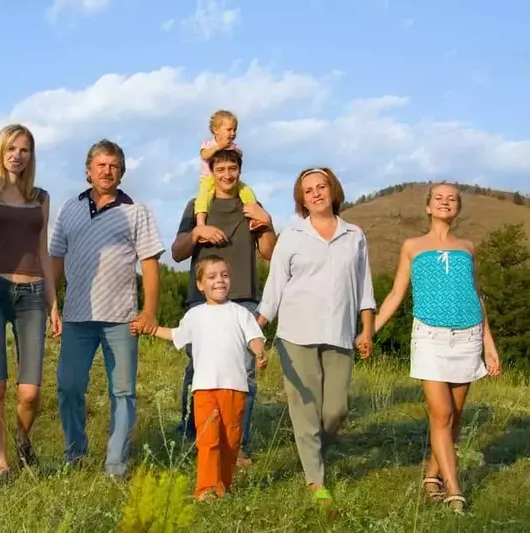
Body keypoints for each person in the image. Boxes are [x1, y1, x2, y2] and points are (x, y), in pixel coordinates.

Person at [373, 182, 501, 514]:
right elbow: (395, 295)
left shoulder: (468, 247)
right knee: (441, 414)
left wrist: (489, 345)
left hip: (469, 336)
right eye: (439, 198)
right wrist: (369, 330)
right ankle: (454, 489)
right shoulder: (412, 246)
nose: (445, 202)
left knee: (454, 416)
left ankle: (432, 474)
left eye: (452, 198)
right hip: (430, 337)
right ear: (428, 207)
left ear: (457, 208)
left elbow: (477, 295)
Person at [256, 167, 375, 506]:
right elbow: (275, 286)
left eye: (321, 187)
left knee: (335, 411)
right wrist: (258, 324)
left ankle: (313, 454)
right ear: (302, 200)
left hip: (340, 333)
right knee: (305, 410)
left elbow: (364, 287)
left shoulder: (355, 235)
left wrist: (366, 329)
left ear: (332, 190)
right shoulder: (292, 235)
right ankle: (315, 480)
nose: (317, 193)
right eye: (309, 190)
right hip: (296, 333)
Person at [49, 139, 165, 478]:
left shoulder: (137, 211)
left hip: (122, 318)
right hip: (76, 316)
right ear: (88, 170)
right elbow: (55, 260)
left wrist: (149, 311)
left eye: (113, 165)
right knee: (69, 386)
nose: (106, 171)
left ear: (121, 172)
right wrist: (51, 305)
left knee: (124, 391)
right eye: (100, 165)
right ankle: (75, 454)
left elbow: (150, 264)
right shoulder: (69, 208)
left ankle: (116, 463)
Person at [0, 124, 62, 483]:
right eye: (11, 148)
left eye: (25, 149)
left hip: (32, 294)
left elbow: (42, 251)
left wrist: (53, 303)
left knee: (30, 391)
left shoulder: (40, 197)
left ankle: (22, 438)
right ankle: (1, 464)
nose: (17, 155)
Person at [131, 254, 268, 501]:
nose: (219, 281)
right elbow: (175, 335)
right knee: (208, 440)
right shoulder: (195, 315)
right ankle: (205, 489)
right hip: (204, 389)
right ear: (200, 284)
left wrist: (259, 352)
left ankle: (224, 486)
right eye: (212, 277)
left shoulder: (240, 313)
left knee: (230, 441)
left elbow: (255, 338)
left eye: (224, 276)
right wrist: (149, 328)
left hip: (235, 388)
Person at [171, 148, 276, 465]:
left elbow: (270, 252)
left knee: (244, 377)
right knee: (199, 372)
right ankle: (195, 440)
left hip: (243, 297)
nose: (227, 175)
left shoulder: (251, 206)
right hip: (200, 301)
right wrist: (197, 232)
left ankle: (236, 445)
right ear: (211, 172)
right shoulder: (196, 206)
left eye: (233, 169)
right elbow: (177, 252)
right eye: (221, 169)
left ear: (239, 171)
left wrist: (267, 222)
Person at [194, 110, 263, 232]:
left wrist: (235, 151)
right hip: (209, 179)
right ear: (216, 130)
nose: (233, 133)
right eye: (229, 129)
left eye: (234, 130)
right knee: (203, 197)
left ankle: (254, 217)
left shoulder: (232, 145)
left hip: (229, 181)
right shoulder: (209, 144)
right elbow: (204, 155)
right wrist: (218, 147)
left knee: (246, 190)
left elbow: (239, 154)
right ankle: (200, 224)